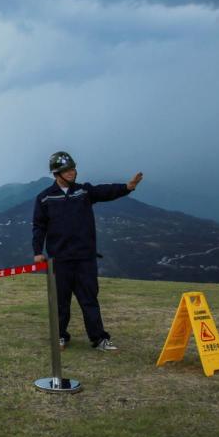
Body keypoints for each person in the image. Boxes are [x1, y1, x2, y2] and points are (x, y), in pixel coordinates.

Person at [32, 151, 143, 352]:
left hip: (85, 258)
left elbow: (104, 191)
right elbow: (39, 227)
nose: (73, 172)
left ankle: (99, 339)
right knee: (61, 303)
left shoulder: (83, 192)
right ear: (57, 173)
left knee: (89, 300)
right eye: (68, 170)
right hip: (60, 260)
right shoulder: (45, 198)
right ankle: (60, 337)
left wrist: (127, 188)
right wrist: (37, 251)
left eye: (73, 168)